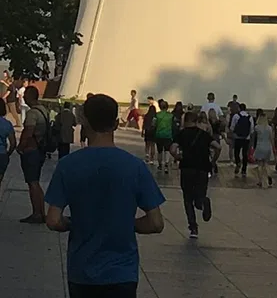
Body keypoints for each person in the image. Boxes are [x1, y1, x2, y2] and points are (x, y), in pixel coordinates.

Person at [45, 93, 165, 298]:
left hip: (82, 271)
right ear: (117, 124)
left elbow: (53, 220)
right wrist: (127, 224)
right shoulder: (134, 167)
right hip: (122, 273)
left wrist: (72, 223)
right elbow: (156, 223)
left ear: (84, 121)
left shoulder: (68, 165)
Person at [173, 108, 217, 240]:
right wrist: (213, 161)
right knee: (200, 193)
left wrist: (178, 157)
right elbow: (217, 147)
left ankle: (193, 228)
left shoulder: (182, 134)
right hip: (203, 168)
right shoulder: (203, 134)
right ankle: (203, 202)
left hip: (187, 168)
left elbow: (173, 148)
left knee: (187, 199)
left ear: (186, 121)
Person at [18, 84, 51, 223]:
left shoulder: (32, 114)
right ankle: (40, 211)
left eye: (26, 95)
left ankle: (37, 213)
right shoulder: (44, 110)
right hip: (41, 149)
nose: (24, 97)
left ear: (31, 96)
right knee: (35, 181)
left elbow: (28, 132)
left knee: (32, 182)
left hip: (32, 150)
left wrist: (21, 146)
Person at [230, 103, 254, 179]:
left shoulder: (236, 116)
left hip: (238, 137)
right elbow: (252, 129)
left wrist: (233, 133)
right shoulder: (250, 117)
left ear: (239, 108)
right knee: (245, 154)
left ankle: (238, 163)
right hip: (246, 138)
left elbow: (232, 127)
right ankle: (244, 169)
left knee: (236, 152)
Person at [252, 110, 275, 188]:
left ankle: (260, 181)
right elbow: (271, 139)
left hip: (259, 146)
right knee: (266, 164)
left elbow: (253, 137)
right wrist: (273, 147)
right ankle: (269, 176)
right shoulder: (269, 128)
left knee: (259, 165)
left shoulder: (257, 127)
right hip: (267, 146)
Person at [152, 99, 174, 177]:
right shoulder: (171, 116)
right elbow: (173, 125)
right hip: (168, 135)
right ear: (167, 107)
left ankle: (160, 165)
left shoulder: (157, 115)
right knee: (167, 150)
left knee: (160, 151)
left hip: (159, 135)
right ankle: (167, 163)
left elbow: (153, 124)